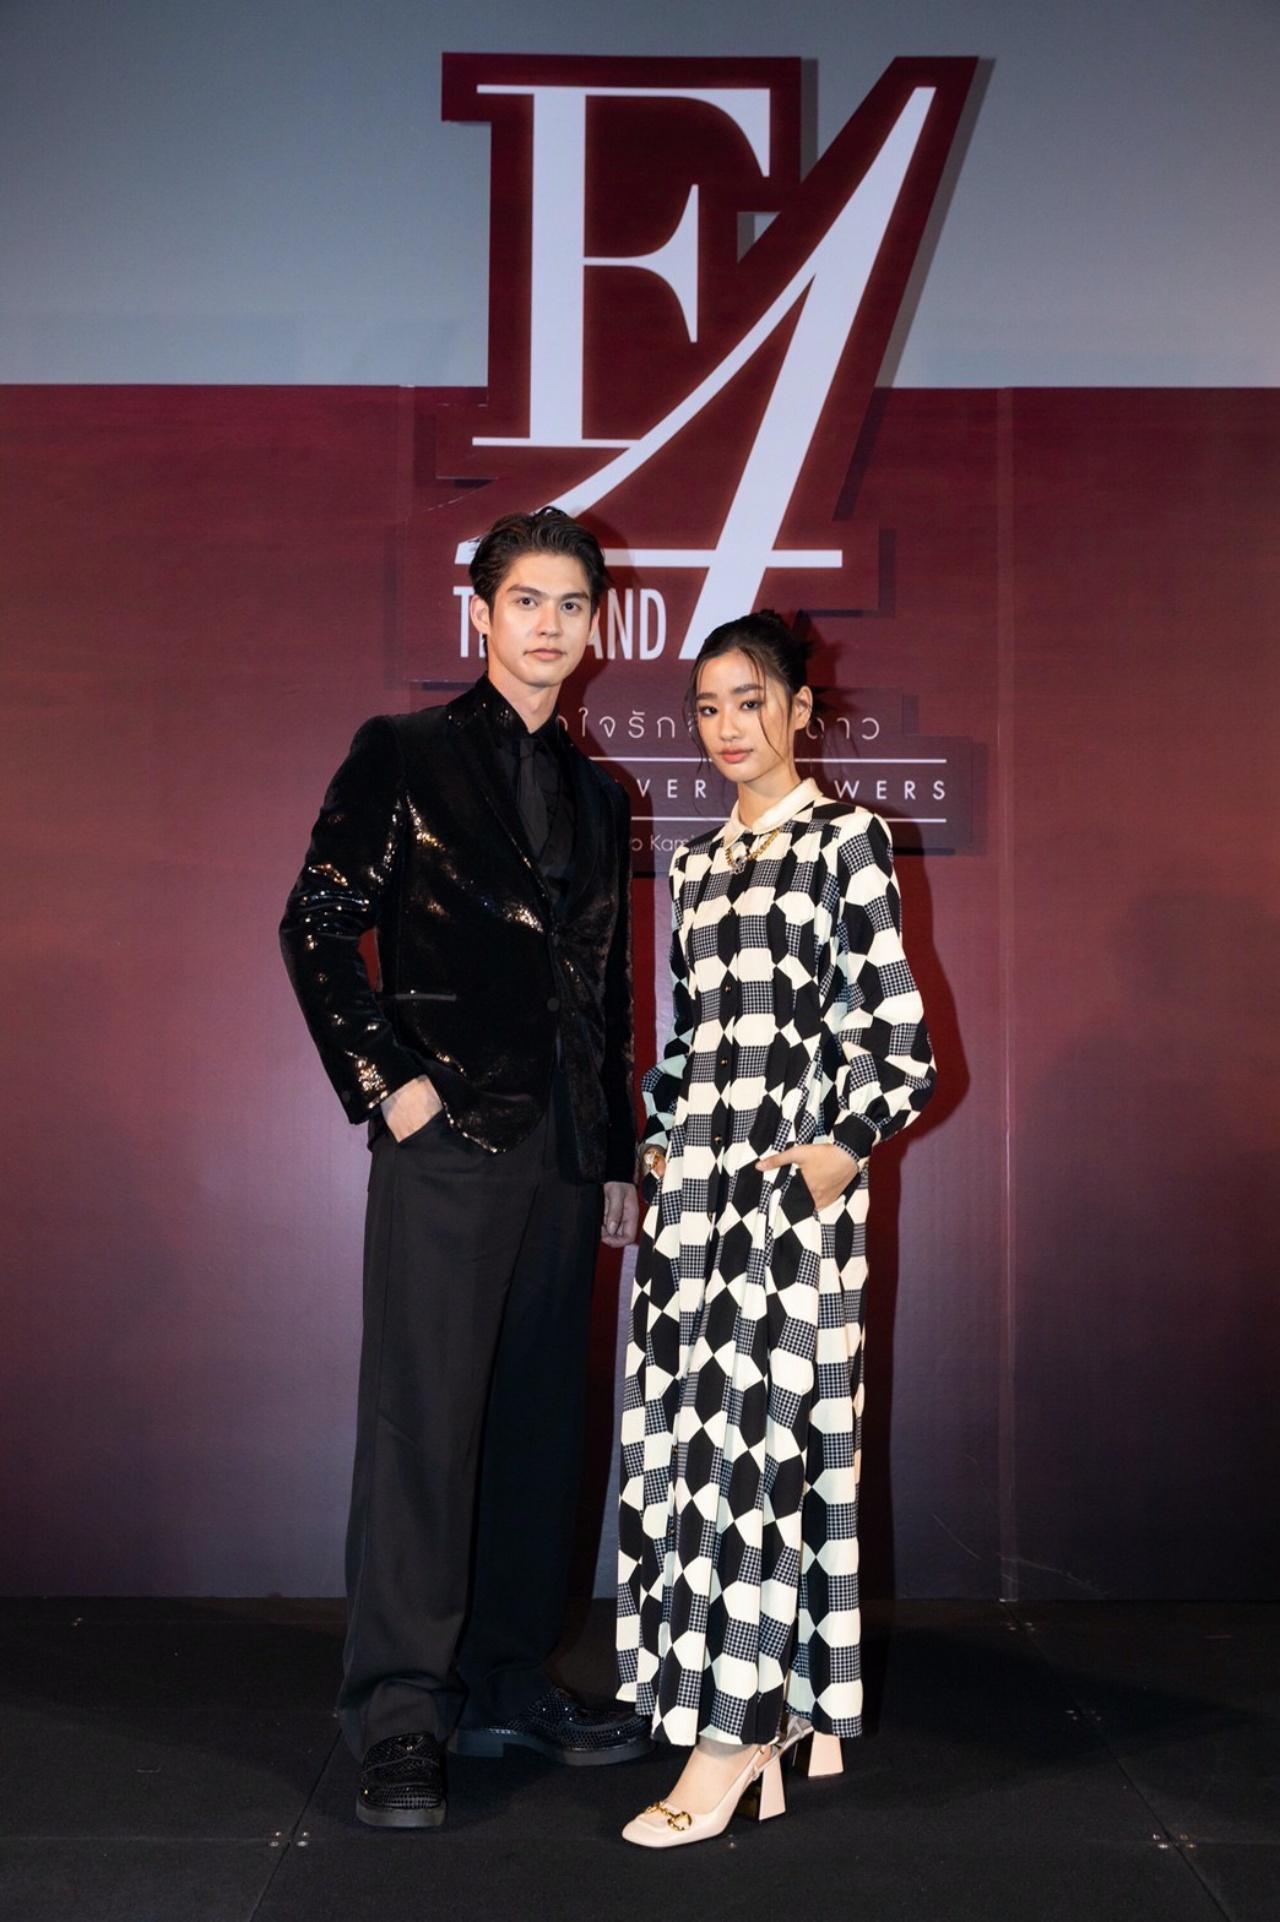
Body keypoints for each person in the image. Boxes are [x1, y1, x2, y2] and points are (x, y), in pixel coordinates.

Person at [280, 506, 647, 1831]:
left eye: (571, 604)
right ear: (480, 613)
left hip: (562, 1153)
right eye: (526, 600)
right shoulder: (404, 751)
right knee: (424, 1429)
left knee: (540, 1428)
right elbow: (316, 924)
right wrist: (394, 1083)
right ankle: (400, 1711)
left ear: (596, 626)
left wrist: (610, 1145)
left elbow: (601, 986)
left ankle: (504, 1677)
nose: (549, 624)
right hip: (447, 1145)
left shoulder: (601, 796)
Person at [616, 611, 937, 1847]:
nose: (725, 726)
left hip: (787, 1205)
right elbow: (687, 1036)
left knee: (764, 1460)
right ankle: (787, 1707)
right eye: (705, 706)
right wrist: (656, 1144)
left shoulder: (847, 839)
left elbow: (899, 1044)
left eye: (747, 699)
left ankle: (735, 1735)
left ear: (800, 706)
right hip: (689, 1206)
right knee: (690, 1459)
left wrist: (832, 1153)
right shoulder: (694, 864)